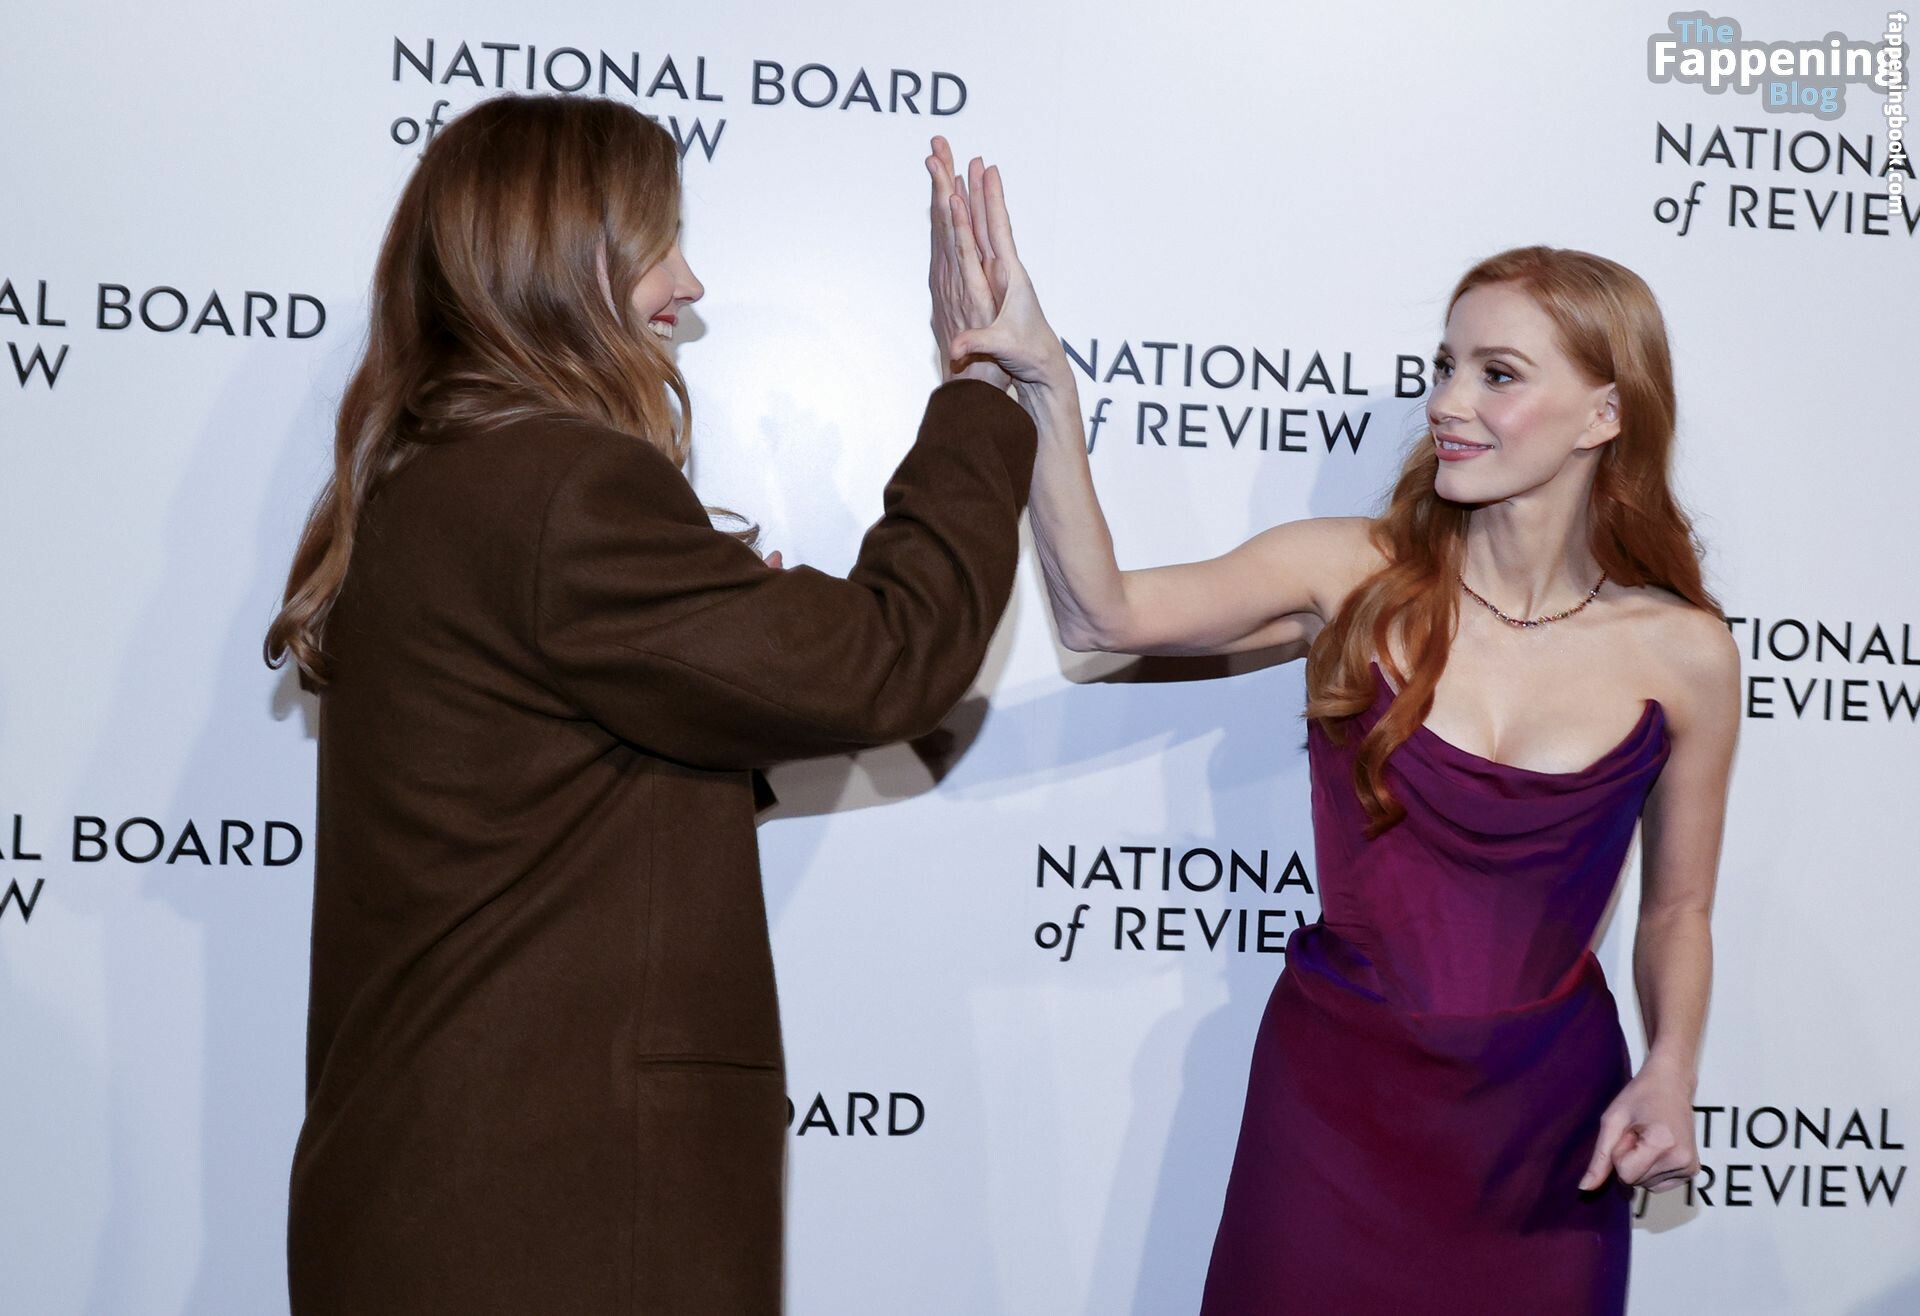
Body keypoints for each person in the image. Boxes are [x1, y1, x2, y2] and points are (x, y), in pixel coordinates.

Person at [263, 98, 1035, 1312]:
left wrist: (732, 673)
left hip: (454, 1200)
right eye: (656, 243)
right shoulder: (563, 488)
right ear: (558, 263)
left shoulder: (438, 478)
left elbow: (543, 792)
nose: (689, 283)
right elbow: (891, 658)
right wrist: (980, 386)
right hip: (550, 1222)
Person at [937, 155, 1738, 1313]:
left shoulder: (1685, 653)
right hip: (1333, 1103)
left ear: (1604, 414)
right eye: (1445, 365)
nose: (1448, 402)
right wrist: (1049, 386)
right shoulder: (1350, 573)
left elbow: (1677, 909)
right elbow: (1098, 615)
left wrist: (1671, 1068)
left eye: (1497, 374)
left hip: (1545, 1130)